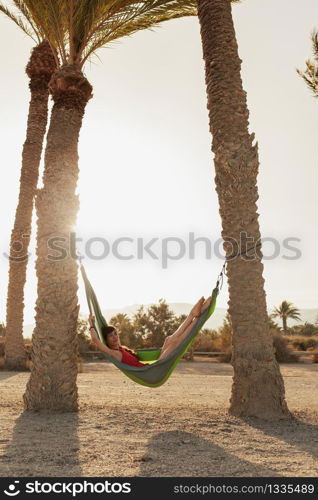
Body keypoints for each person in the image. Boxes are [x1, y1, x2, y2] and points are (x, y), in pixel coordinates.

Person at [88, 295, 212, 367]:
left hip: (154, 366)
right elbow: (95, 339)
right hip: (154, 369)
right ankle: (195, 319)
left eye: (115, 333)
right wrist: (91, 324)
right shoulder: (114, 353)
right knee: (175, 343)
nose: (115, 337)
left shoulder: (122, 349)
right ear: (106, 339)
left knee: (169, 339)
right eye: (110, 336)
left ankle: (193, 316)